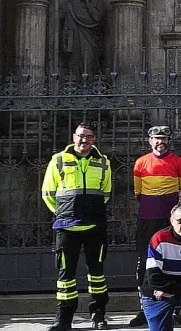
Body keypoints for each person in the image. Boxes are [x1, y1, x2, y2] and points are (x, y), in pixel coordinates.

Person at [41, 122, 113, 331]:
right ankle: (64, 318)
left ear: (94, 139)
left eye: (89, 136)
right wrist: (65, 212)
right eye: (81, 136)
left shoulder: (103, 162)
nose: (84, 140)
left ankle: (98, 315)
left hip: (94, 226)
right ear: (74, 137)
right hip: (66, 226)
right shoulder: (59, 160)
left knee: (97, 275)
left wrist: (89, 211)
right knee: (65, 276)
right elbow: (48, 193)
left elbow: (106, 193)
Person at [131, 125, 181, 326]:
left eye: (164, 138)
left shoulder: (178, 162)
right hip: (147, 220)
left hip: (171, 221)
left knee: (176, 262)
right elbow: (138, 194)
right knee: (145, 264)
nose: (160, 142)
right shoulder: (140, 163)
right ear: (150, 141)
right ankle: (145, 307)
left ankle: (179, 308)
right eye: (156, 139)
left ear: (169, 141)